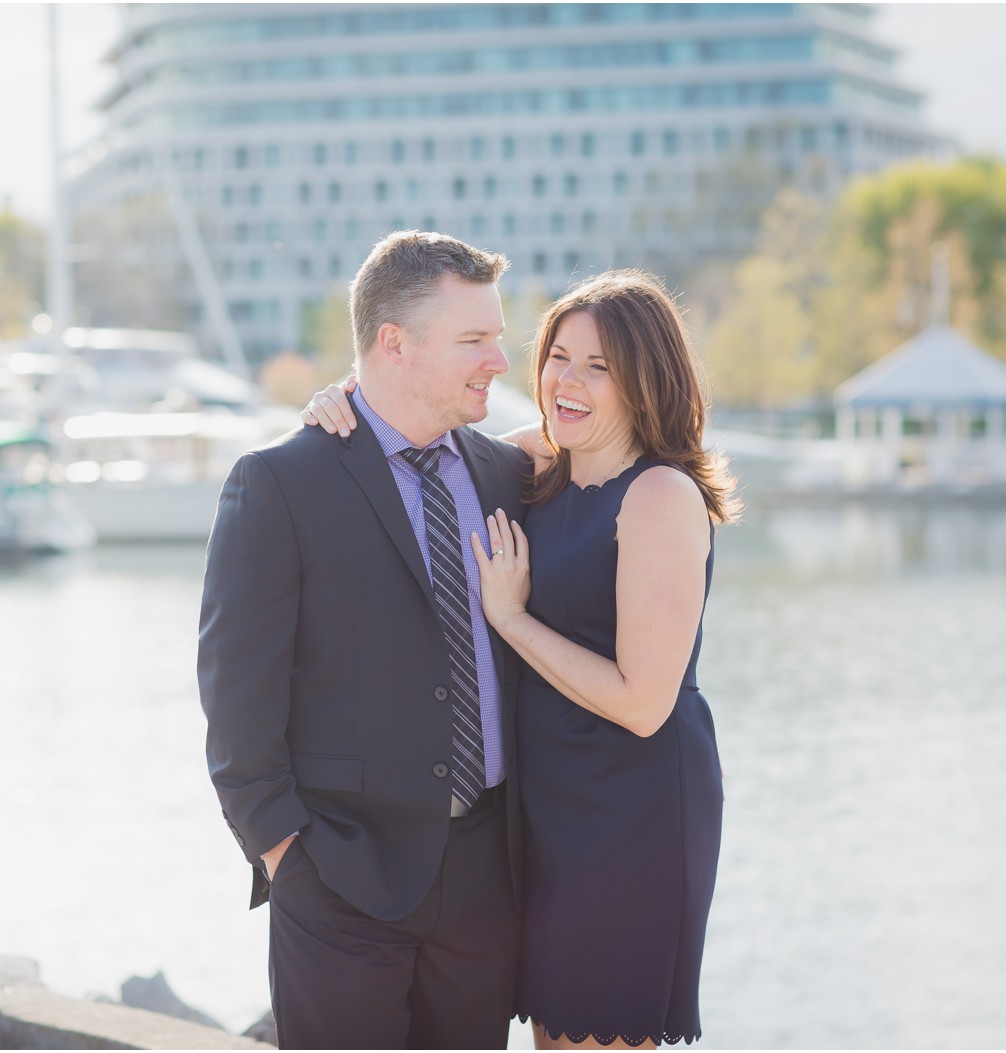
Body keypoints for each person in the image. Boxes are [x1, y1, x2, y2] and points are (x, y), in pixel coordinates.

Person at [302, 269, 736, 1050]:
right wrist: (346, 396)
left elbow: (644, 701)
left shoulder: (660, 495)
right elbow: (416, 429)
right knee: (552, 1031)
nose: (566, 381)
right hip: (547, 814)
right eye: (558, 356)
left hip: (629, 812)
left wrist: (509, 616)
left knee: (594, 1032)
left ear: (647, 380)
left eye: (598, 367)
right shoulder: (542, 466)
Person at [198, 230, 532, 1049]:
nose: (498, 359)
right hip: (339, 878)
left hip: (485, 876)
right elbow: (237, 695)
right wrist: (286, 855)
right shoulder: (280, 483)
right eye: (474, 340)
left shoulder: (508, 477)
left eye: (497, 337)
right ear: (395, 344)